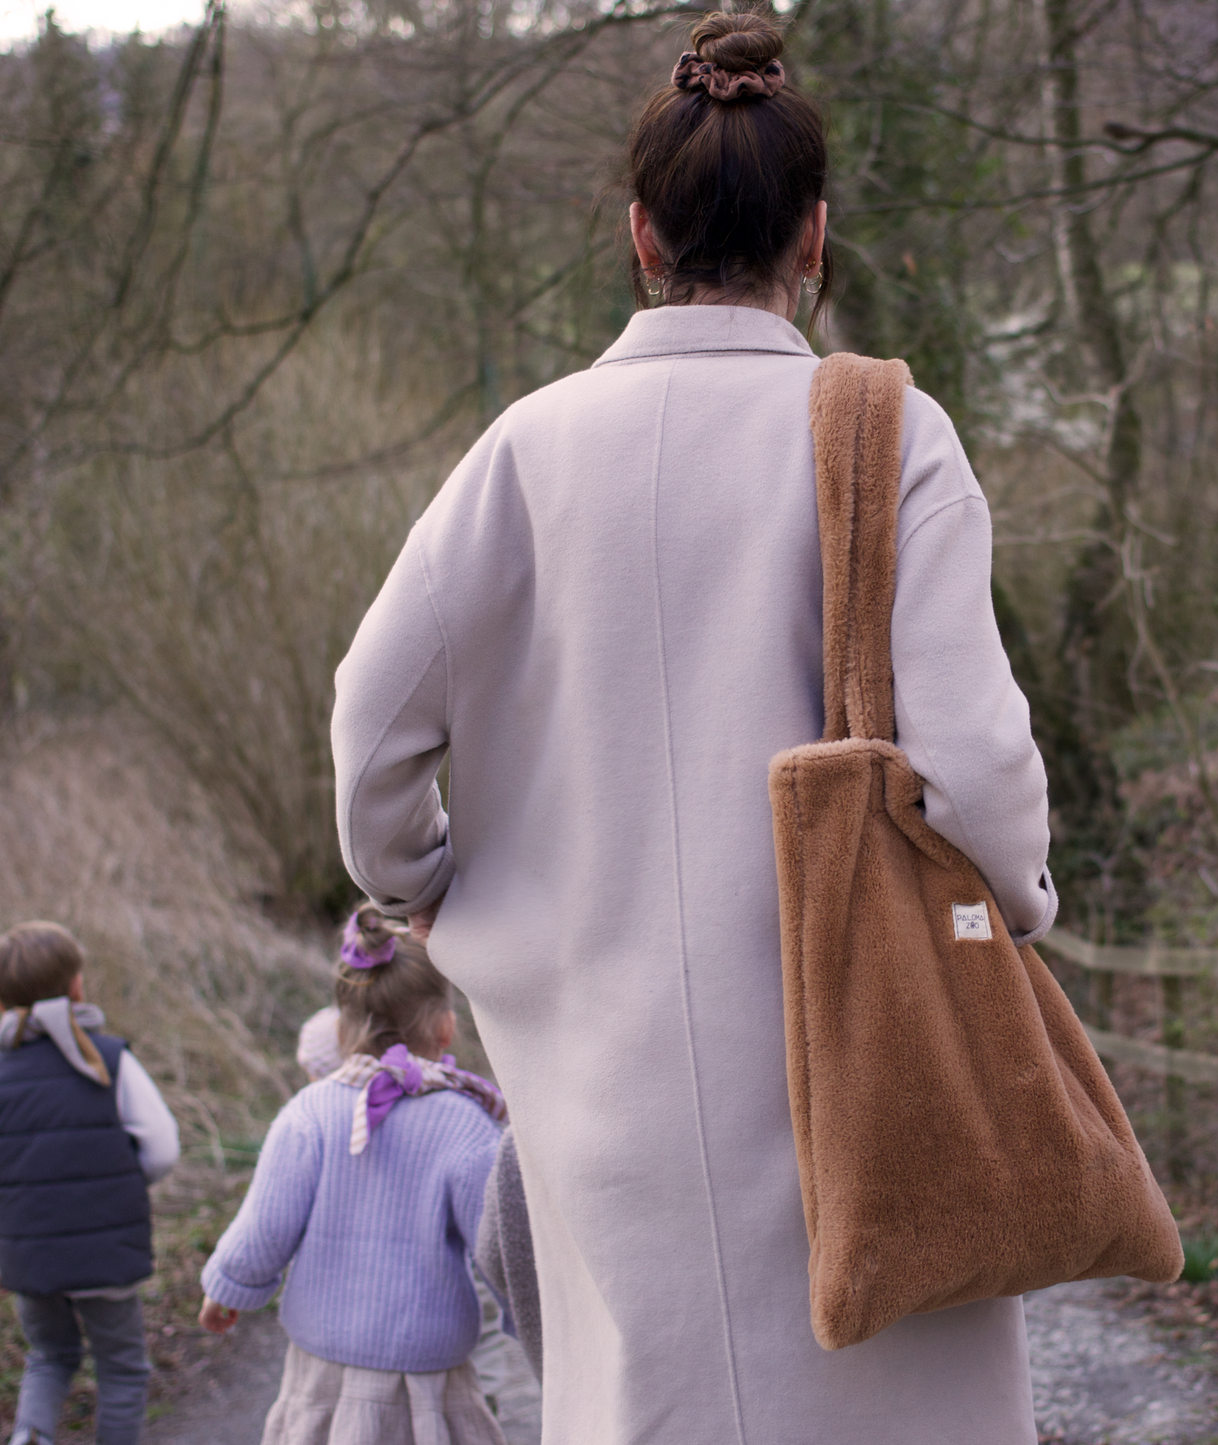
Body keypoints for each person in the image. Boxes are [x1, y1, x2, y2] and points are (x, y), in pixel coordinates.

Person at [331, 10, 1055, 1442]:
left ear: (640, 237)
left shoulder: (523, 453)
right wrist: (1013, 904)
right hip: (862, 1052)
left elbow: (371, 728)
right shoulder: (893, 437)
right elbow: (972, 768)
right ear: (816, 238)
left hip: (606, 1073)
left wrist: (420, 884)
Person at [198, 909, 510, 1445]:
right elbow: (501, 1247)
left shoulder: (309, 1113)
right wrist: (541, 1323)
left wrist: (229, 1286)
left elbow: (265, 1225)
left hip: (323, 1374)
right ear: (445, 1026)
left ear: (340, 1030)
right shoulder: (467, 1126)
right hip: (429, 1381)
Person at [0, 921, 181, 1445]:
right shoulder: (107, 1058)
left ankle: (29, 1438)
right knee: (122, 1370)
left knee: (49, 1356)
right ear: (77, 985)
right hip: (105, 1250)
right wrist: (119, 1184)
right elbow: (162, 1146)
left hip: (27, 1253)